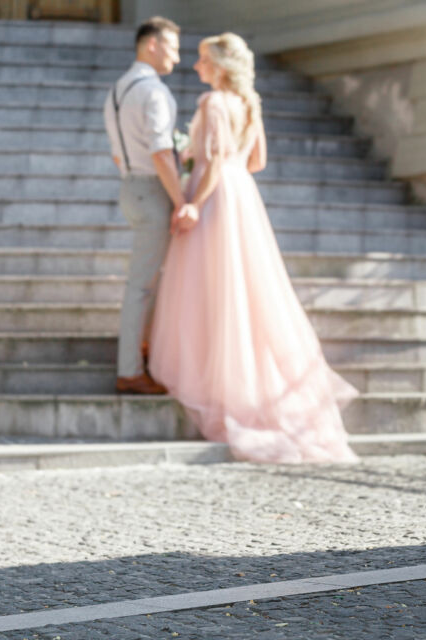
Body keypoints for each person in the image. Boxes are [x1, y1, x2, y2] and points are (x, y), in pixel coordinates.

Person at [147, 33, 358, 464]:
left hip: (217, 198)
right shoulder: (249, 103)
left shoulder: (213, 103)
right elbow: (255, 160)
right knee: (247, 291)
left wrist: (191, 204)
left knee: (212, 289)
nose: (196, 66)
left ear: (221, 65)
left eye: (203, 59)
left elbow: (215, 163)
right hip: (244, 196)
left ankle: (218, 383)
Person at [102, 16, 185, 394]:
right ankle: (131, 370)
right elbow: (161, 152)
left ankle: (148, 353)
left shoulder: (117, 89)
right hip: (152, 190)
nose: (177, 57)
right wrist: (181, 200)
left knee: (148, 281)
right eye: (172, 47)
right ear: (151, 45)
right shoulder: (153, 91)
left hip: (129, 186)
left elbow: (119, 154)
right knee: (142, 286)